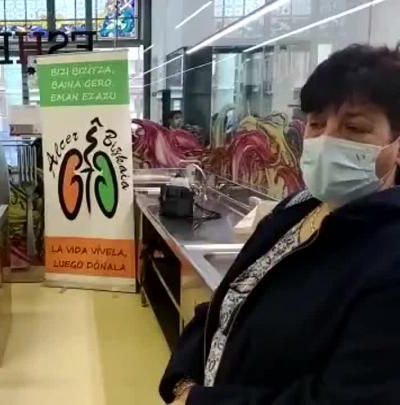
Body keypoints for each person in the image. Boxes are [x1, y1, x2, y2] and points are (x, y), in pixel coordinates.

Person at [160, 44, 400, 405]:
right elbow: (229, 303)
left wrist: (199, 402)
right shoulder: (298, 209)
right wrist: (181, 381)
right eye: (316, 124)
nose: (326, 140)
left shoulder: (389, 258)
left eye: (354, 128)